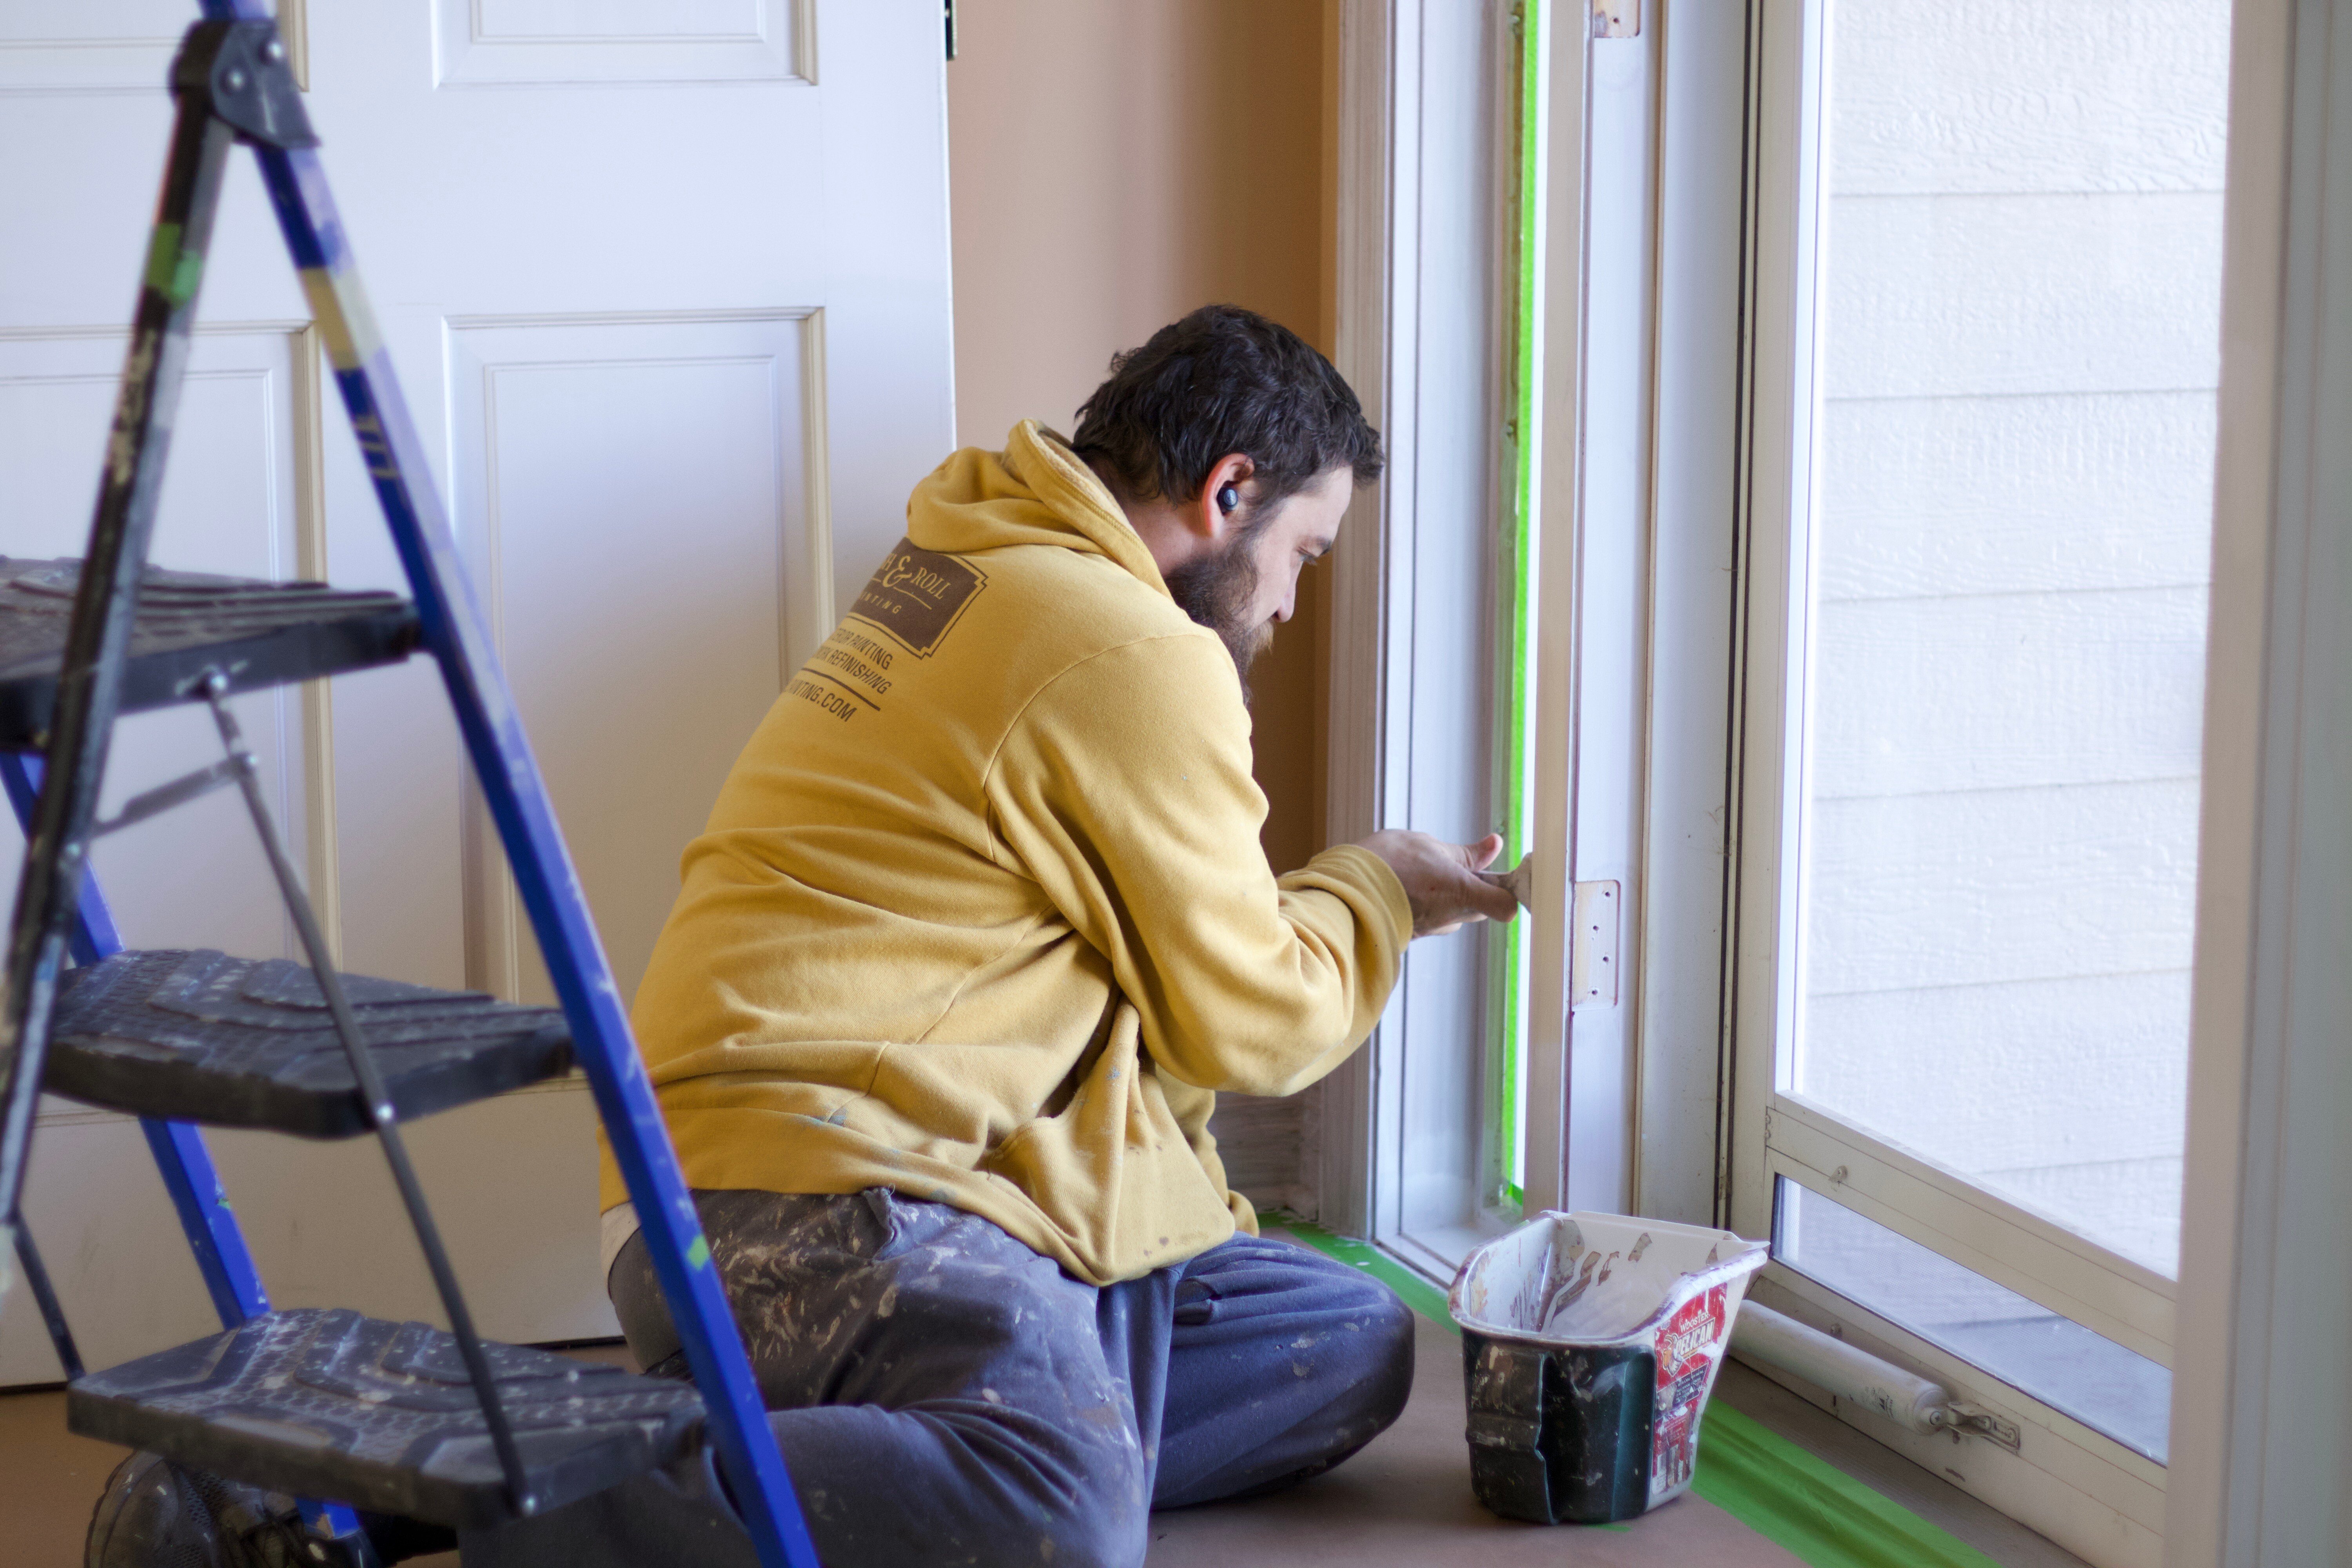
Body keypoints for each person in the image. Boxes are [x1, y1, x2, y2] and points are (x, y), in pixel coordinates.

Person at [90, 304, 1517, 1568]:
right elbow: (1252, 1019)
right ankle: (425, 1481)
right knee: (1063, 1510)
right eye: (1303, 556)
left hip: (848, 1187)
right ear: (1228, 493)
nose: (1283, 602)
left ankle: (844, 1443)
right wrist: (1379, 887)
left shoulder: (980, 561)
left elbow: (1168, 957)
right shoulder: (1136, 651)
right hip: (822, 1199)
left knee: (1346, 1343)